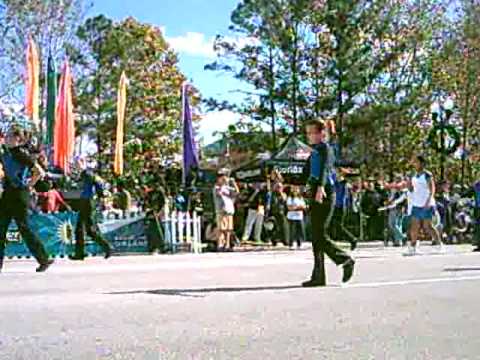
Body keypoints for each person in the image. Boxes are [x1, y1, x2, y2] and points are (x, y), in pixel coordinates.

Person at [302, 119, 355, 287]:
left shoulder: (325, 148)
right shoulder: (313, 151)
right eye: (307, 133)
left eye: (311, 132)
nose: (309, 136)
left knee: (320, 234)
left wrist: (320, 187)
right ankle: (318, 276)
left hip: (325, 192)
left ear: (320, 133)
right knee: (315, 237)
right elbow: (307, 174)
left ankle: (345, 259)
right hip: (315, 193)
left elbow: (325, 168)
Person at [0, 127, 53, 272]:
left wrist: (29, 185)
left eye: (10, 136)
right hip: (7, 193)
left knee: (24, 228)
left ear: (18, 139)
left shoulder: (21, 153)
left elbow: (39, 171)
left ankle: (44, 258)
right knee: (1, 227)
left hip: (19, 194)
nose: (6, 138)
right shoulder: (6, 153)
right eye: (6, 135)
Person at [70, 161, 113, 260]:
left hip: (88, 202)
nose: (76, 167)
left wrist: (101, 194)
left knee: (89, 230)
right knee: (80, 229)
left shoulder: (87, 174)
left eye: (78, 165)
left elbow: (98, 184)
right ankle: (79, 253)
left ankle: (107, 248)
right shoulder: (86, 175)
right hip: (86, 201)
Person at [406, 155, 442, 255]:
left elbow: (432, 189)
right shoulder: (413, 175)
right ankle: (413, 248)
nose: (414, 164)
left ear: (422, 163)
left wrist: (429, 201)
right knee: (414, 226)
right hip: (416, 203)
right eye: (414, 162)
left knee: (428, 226)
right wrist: (408, 183)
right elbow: (411, 189)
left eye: (416, 162)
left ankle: (439, 244)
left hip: (426, 203)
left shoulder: (427, 174)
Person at [214, 172, 239, 251]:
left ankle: (227, 245)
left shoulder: (227, 187)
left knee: (229, 229)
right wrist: (224, 184)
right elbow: (219, 192)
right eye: (222, 178)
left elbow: (237, 192)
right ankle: (220, 244)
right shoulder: (216, 187)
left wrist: (233, 183)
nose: (224, 179)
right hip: (221, 210)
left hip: (229, 210)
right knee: (221, 228)